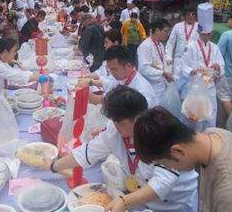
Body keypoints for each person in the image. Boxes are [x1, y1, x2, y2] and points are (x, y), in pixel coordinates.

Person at [45, 87, 198, 212]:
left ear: (138, 118)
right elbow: (88, 152)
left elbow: (162, 183)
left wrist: (125, 201)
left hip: (174, 202)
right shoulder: (115, 128)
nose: (115, 127)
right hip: (140, 197)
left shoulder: (160, 133)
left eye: (120, 123)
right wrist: (54, 166)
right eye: (114, 121)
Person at [134, 107, 232, 212]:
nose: (174, 170)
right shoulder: (214, 134)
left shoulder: (230, 192)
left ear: (178, 150)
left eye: (165, 164)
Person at [180, 3, 224, 131]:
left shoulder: (215, 48)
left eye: (208, 34)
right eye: (203, 34)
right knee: (196, 119)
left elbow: (221, 65)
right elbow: (183, 65)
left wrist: (218, 68)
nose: (206, 37)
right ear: (199, 33)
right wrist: (192, 70)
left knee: (210, 117)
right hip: (195, 86)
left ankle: (210, 139)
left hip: (210, 87)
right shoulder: (190, 47)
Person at [79, 46, 155, 108]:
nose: (112, 72)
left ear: (128, 66)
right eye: (110, 69)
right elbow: (107, 88)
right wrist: (90, 82)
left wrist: (83, 94)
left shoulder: (142, 91)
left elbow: (104, 101)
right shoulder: (121, 76)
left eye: (114, 69)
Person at [138, 19, 174, 105]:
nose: (167, 34)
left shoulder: (160, 45)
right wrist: (163, 73)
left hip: (161, 87)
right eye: (166, 31)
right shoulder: (145, 46)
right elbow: (144, 69)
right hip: (151, 88)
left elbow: (159, 63)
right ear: (157, 30)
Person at [165, 7, 199, 78]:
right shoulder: (177, 26)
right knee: (177, 81)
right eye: (188, 14)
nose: (191, 16)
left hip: (193, 60)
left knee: (191, 83)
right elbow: (171, 43)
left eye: (193, 14)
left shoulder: (199, 27)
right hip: (179, 59)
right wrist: (168, 57)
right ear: (184, 16)